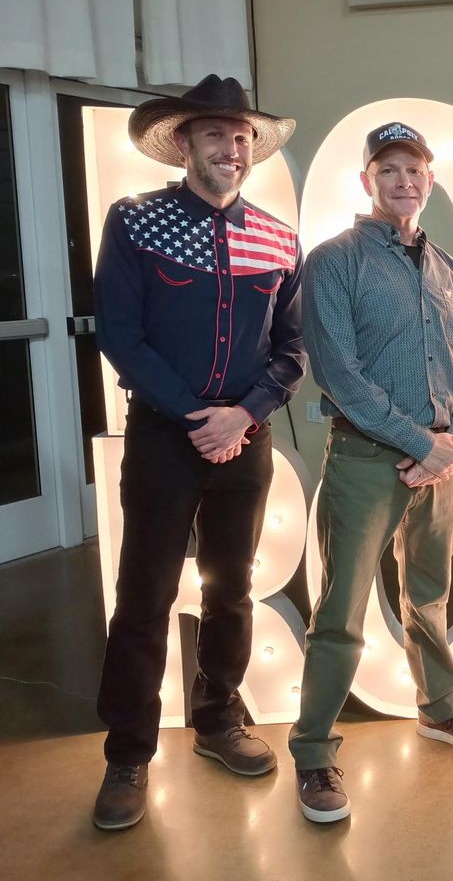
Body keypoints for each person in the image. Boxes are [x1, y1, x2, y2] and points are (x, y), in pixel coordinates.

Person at [92, 75, 305, 830]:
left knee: (232, 589)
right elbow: (119, 333)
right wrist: (196, 416)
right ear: (183, 143)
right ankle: (128, 753)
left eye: (242, 136)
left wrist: (241, 416)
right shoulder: (138, 222)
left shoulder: (279, 237)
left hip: (245, 440)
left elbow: (292, 348)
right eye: (216, 134)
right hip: (163, 438)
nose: (232, 147)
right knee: (144, 598)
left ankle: (218, 720)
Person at [289, 122, 453, 823]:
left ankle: (439, 709)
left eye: (415, 170)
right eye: (388, 170)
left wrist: (452, 436)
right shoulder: (333, 262)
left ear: (430, 183)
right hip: (365, 462)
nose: (403, 181)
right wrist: (418, 441)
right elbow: (339, 374)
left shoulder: (448, 269)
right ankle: (314, 752)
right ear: (367, 181)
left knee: (430, 593)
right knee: (341, 610)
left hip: (440, 461)